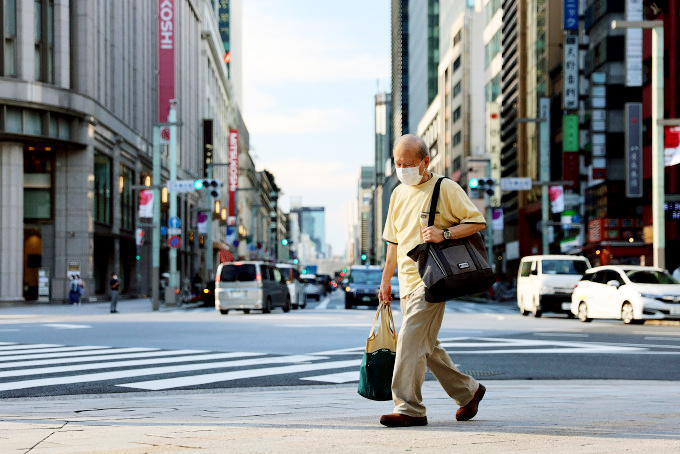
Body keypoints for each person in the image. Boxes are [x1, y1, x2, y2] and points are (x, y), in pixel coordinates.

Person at [378, 134, 488, 428]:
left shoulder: (445, 188)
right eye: (397, 163)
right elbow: (393, 243)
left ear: (425, 161)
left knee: (410, 341)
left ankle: (409, 408)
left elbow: (477, 221)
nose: (402, 169)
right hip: (405, 282)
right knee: (426, 344)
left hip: (433, 280)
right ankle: (469, 392)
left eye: (408, 164)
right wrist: (386, 281)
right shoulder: (398, 194)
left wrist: (446, 233)